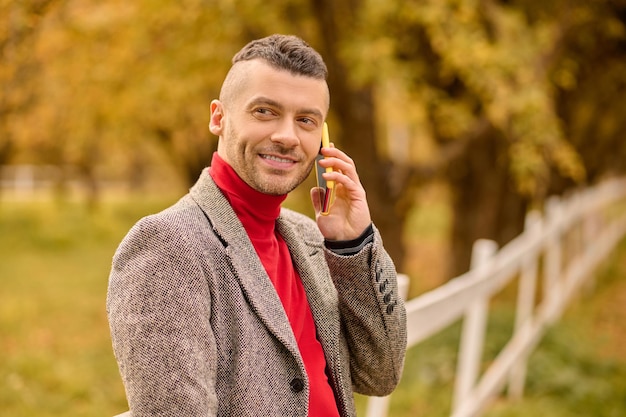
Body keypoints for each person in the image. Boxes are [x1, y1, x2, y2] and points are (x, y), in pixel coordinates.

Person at [107, 34, 407, 417]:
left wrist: (351, 244)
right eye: (265, 111)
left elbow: (381, 376)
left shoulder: (310, 238)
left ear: (322, 139)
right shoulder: (168, 245)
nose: (286, 136)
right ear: (219, 117)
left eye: (306, 120)